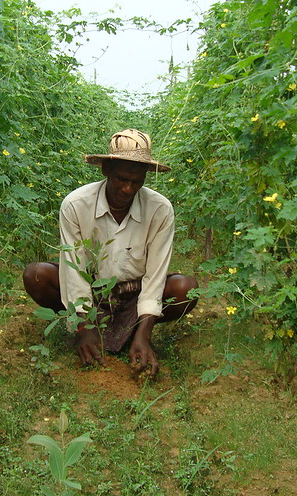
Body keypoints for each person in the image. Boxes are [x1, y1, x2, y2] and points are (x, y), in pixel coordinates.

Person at [23, 129, 198, 378]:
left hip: (134, 296)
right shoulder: (76, 205)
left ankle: (134, 333)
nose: (128, 189)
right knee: (37, 275)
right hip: (94, 294)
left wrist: (145, 333)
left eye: (137, 181)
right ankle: (87, 331)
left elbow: (156, 276)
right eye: (121, 179)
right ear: (106, 170)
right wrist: (85, 325)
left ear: (145, 178)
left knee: (185, 288)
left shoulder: (160, 210)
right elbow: (75, 270)